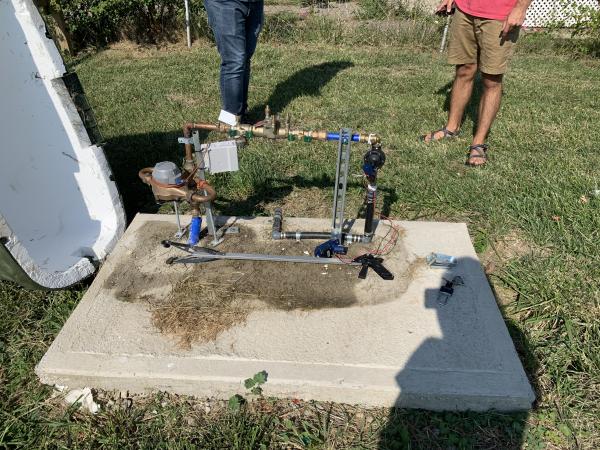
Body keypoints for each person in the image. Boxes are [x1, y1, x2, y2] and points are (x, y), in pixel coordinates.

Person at [421, 0, 532, 166]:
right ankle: (451, 128)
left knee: (491, 79)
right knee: (464, 69)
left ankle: (478, 143)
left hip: (500, 15)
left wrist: (521, 8)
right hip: (465, 10)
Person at [204, 0, 264, 126]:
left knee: (244, 59)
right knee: (234, 60)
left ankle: (241, 115)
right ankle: (231, 123)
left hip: (254, 3)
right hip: (225, 3)